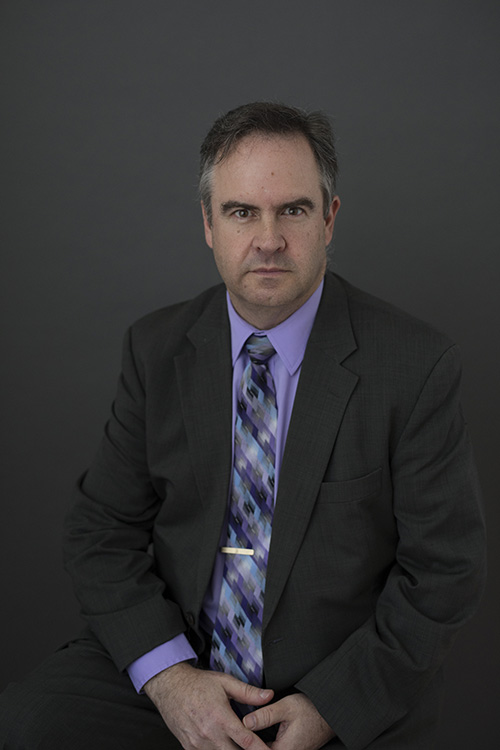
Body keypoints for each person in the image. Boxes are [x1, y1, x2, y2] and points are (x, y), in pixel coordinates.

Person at [0, 102, 486, 750]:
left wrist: (330, 706)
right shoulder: (157, 349)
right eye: (240, 212)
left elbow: (445, 573)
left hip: (334, 682)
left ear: (329, 218)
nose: (268, 239)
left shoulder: (415, 365)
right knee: (29, 723)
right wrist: (171, 678)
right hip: (188, 660)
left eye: (293, 209)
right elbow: (100, 531)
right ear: (208, 223)